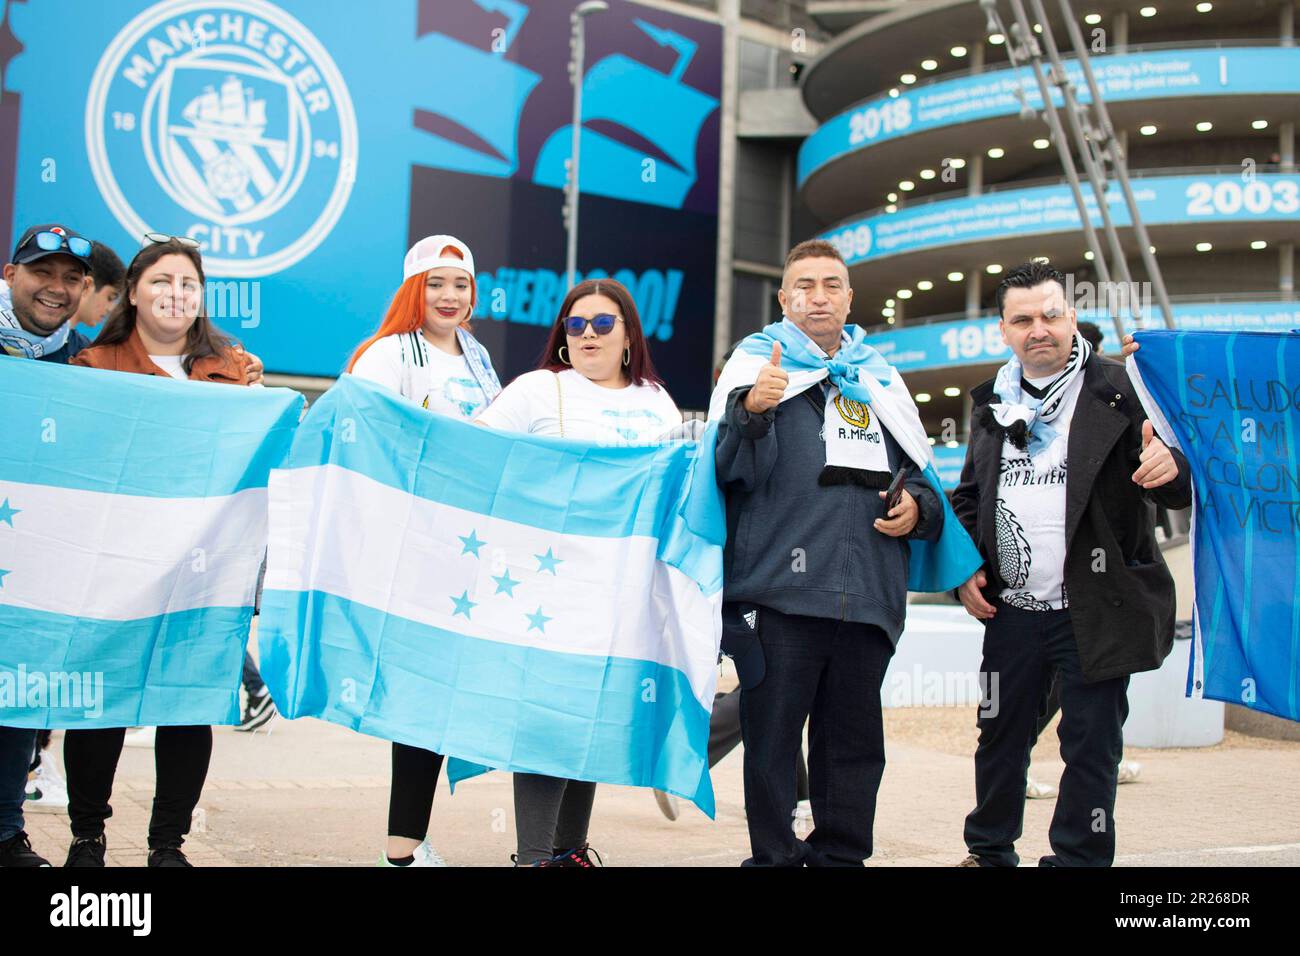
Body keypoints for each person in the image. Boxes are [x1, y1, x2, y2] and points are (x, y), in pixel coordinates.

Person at [709, 238, 969, 867]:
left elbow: (924, 479)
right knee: (771, 741)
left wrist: (919, 511)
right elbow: (723, 475)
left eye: (831, 285)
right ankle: (772, 859)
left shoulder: (878, 378)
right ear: (783, 298)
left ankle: (841, 858)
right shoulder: (756, 369)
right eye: (803, 285)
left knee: (853, 747)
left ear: (850, 298)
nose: (817, 296)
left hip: (869, 596)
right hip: (778, 594)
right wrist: (753, 413)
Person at [952, 260, 1191, 868]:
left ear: (1072, 316)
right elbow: (971, 499)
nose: (1040, 329)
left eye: (1052, 314)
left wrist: (1174, 468)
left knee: (1089, 745)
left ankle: (1080, 860)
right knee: (999, 735)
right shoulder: (991, 404)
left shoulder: (1123, 388)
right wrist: (966, 569)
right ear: (1004, 331)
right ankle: (989, 849)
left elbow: (1182, 481)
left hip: (1097, 606)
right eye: (1023, 319)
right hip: (1013, 610)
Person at [62, 235, 260, 868]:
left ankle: (166, 845)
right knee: (102, 704)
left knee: (188, 701)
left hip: (205, 567)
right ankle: (88, 838)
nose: (176, 295)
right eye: (162, 282)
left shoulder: (234, 367)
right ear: (133, 293)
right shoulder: (95, 365)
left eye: (188, 285)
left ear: (201, 299)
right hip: (115, 561)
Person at [476, 277, 679, 866]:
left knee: (593, 715)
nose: (587, 333)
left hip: (626, 591)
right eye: (575, 323)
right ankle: (534, 857)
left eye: (602, 323)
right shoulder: (538, 390)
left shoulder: (655, 401)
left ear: (627, 336)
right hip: (548, 586)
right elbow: (476, 452)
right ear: (563, 337)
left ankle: (569, 852)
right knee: (548, 716)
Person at [347, 234, 501, 867]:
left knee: (443, 696)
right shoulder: (388, 355)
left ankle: (408, 840)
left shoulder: (478, 358)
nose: (449, 295)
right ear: (414, 289)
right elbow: (364, 439)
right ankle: (402, 848)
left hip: (468, 551)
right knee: (419, 696)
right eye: (435, 283)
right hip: (413, 550)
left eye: (460, 284)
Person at [0, 224, 97, 867]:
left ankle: (5, 829)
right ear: (10, 275)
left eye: (70, 278)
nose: (56, 289)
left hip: (32, 556)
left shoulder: (84, 362)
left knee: (17, 691)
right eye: (42, 272)